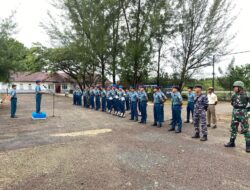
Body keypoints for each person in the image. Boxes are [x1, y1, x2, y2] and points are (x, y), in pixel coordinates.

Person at [224, 81, 250, 153]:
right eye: (234, 87)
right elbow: (232, 103)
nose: (234, 88)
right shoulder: (233, 95)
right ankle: (232, 142)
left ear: (240, 87)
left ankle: (248, 146)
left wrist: (247, 110)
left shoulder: (247, 94)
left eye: (235, 87)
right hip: (235, 113)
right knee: (233, 128)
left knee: (245, 129)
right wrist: (237, 108)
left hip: (243, 114)